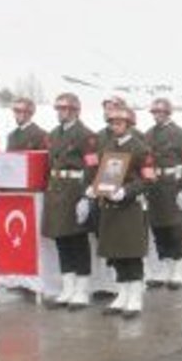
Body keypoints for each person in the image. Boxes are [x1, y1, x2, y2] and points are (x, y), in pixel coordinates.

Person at [92, 107, 155, 318]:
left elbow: (148, 179)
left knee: (131, 254)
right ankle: (122, 294)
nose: (115, 126)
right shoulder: (107, 147)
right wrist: (95, 187)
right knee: (117, 254)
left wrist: (126, 191)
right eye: (112, 123)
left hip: (130, 207)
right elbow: (100, 172)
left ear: (128, 125)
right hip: (110, 207)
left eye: (119, 123)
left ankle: (135, 297)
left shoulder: (140, 148)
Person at [41, 93, 98, 310]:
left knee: (77, 242)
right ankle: (67, 287)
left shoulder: (87, 136)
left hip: (75, 190)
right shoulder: (53, 134)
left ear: (75, 111)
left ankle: (81, 290)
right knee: (61, 241)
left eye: (65, 109)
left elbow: (92, 168)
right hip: (56, 191)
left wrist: (86, 196)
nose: (61, 113)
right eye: (59, 109)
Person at [144, 98, 182, 290]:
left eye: (159, 112)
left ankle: (178, 270)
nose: (156, 116)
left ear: (167, 113)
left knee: (175, 230)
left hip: (173, 187)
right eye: (154, 113)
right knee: (159, 230)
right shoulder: (147, 135)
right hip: (154, 188)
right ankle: (165, 268)